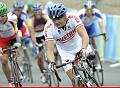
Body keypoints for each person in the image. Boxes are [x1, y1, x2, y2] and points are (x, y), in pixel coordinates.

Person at [44, 3, 92, 86]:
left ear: (65, 15)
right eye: (53, 19)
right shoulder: (48, 27)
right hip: (65, 52)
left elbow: (84, 35)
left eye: (59, 18)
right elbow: (49, 50)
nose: (56, 21)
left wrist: (84, 48)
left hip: (79, 44)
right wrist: (51, 62)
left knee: (90, 56)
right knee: (74, 80)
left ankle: (89, 75)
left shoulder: (73, 17)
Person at [78, 0, 106, 69]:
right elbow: (77, 27)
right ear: (85, 9)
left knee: (95, 43)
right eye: (87, 10)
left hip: (91, 27)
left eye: (91, 10)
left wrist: (104, 33)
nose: (89, 12)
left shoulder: (97, 13)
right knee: (82, 42)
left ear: (93, 9)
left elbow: (101, 25)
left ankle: (97, 63)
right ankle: (83, 58)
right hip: (82, 27)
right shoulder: (80, 14)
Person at [27, 3, 49, 83]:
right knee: (39, 56)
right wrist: (35, 43)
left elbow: (50, 27)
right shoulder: (31, 20)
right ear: (33, 12)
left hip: (45, 34)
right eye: (35, 11)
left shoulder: (45, 16)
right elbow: (32, 33)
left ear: (41, 10)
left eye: (38, 11)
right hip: (36, 37)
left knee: (50, 49)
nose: (37, 13)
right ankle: (42, 73)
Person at [0, 2, 19, 87]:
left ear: (6, 14)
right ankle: (10, 81)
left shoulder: (13, 17)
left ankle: (19, 68)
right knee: (4, 60)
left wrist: (18, 43)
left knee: (17, 52)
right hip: (2, 41)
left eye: (3, 16)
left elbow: (17, 31)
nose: (1, 19)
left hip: (13, 38)